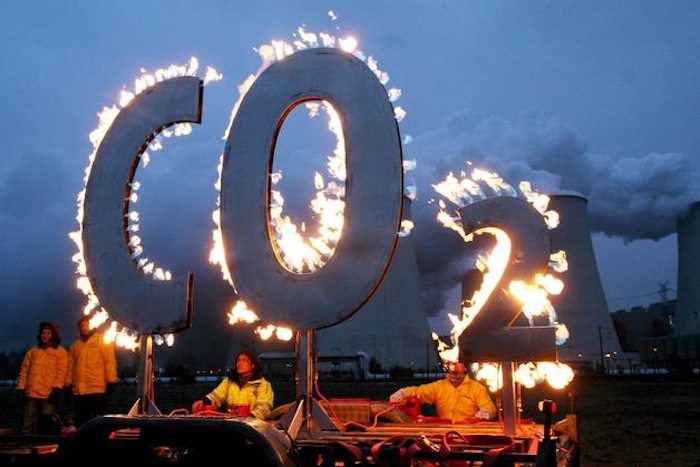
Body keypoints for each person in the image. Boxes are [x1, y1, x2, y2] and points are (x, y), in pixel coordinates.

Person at [389, 360, 497, 423]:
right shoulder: (439, 386)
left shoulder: (476, 388)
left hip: (468, 433)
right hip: (444, 431)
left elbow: (489, 407)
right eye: (452, 373)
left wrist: (485, 412)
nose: (454, 376)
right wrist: (403, 392)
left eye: (457, 373)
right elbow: (420, 392)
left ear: (465, 372)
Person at [15, 321, 68, 435]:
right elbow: (24, 371)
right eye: (43, 333)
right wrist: (20, 388)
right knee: (28, 424)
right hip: (31, 393)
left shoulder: (60, 352)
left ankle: (45, 449)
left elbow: (61, 371)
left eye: (48, 333)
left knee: (47, 424)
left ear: (53, 334)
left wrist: (57, 388)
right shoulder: (33, 351)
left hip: (48, 394)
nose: (45, 335)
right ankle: (26, 447)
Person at [65, 315, 118, 428]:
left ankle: (99, 444)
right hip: (80, 392)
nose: (84, 328)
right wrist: (68, 384)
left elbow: (109, 362)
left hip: (97, 389)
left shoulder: (103, 341)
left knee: (98, 422)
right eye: (82, 325)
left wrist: (111, 381)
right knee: (81, 423)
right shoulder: (75, 345)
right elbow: (70, 367)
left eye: (87, 325)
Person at [192, 349, 274, 420]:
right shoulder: (229, 382)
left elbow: (264, 408)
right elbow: (216, 396)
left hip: (253, 428)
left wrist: (250, 417)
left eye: (244, 360)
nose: (239, 363)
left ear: (253, 365)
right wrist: (203, 401)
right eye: (238, 360)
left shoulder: (262, 384)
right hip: (233, 426)